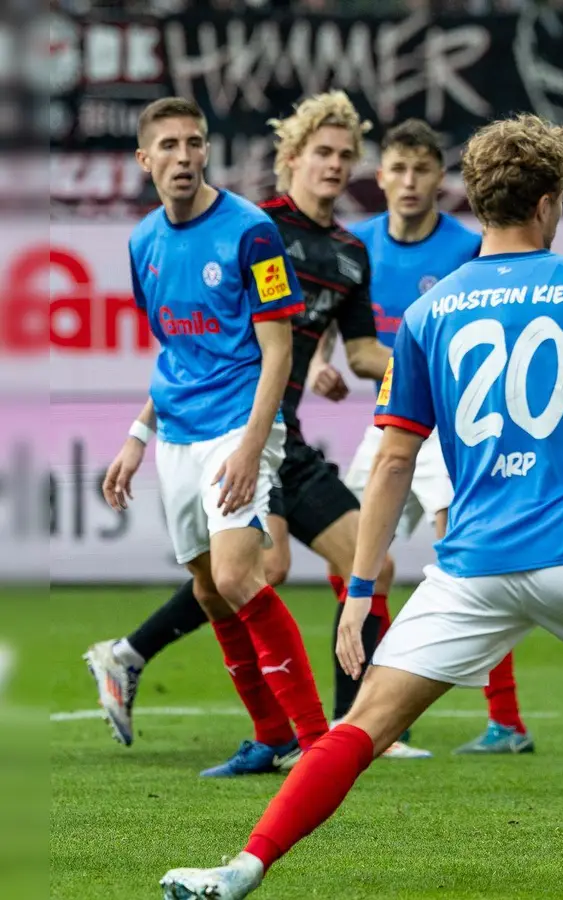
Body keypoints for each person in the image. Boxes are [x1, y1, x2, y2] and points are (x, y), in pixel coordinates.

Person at [159, 113, 563, 900]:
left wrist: (363, 589)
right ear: (547, 202)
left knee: (362, 727)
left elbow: (396, 459)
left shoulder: (432, 313)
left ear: (476, 200)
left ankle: (241, 870)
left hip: (472, 568)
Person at [83, 91, 430, 770]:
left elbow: (346, 352)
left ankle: (328, 734)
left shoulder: (329, 250)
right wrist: (138, 431)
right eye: (321, 153)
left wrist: (428, 363)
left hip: (259, 427)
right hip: (203, 428)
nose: (334, 166)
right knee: (224, 582)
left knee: (316, 565)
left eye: (344, 156)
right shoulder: (180, 234)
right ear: (291, 158)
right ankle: (259, 726)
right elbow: (180, 351)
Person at [92, 97, 329, 777]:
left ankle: (317, 742)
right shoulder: (142, 243)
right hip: (179, 435)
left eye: (194, 143)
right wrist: (139, 434)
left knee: (236, 574)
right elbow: (176, 355)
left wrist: (255, 445)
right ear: (145, 160)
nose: (184, 157)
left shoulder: (252, 233)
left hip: (240, 424)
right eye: (167, 146)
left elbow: (277, 351)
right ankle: (271, 735)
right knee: (207, 588)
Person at [329, 118, 532, 755]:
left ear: (438, 180)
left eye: (423, 170)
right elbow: (333, 328)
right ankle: (374, 713)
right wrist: (314, 362)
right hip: (393, 425)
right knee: (353, 554)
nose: (410, 182)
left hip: (450, 428)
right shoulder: (356, 246)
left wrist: (392, 360)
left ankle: (505, 721)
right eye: (399, 169)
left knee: (465, 558)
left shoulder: (466, 249)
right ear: (380, 175)